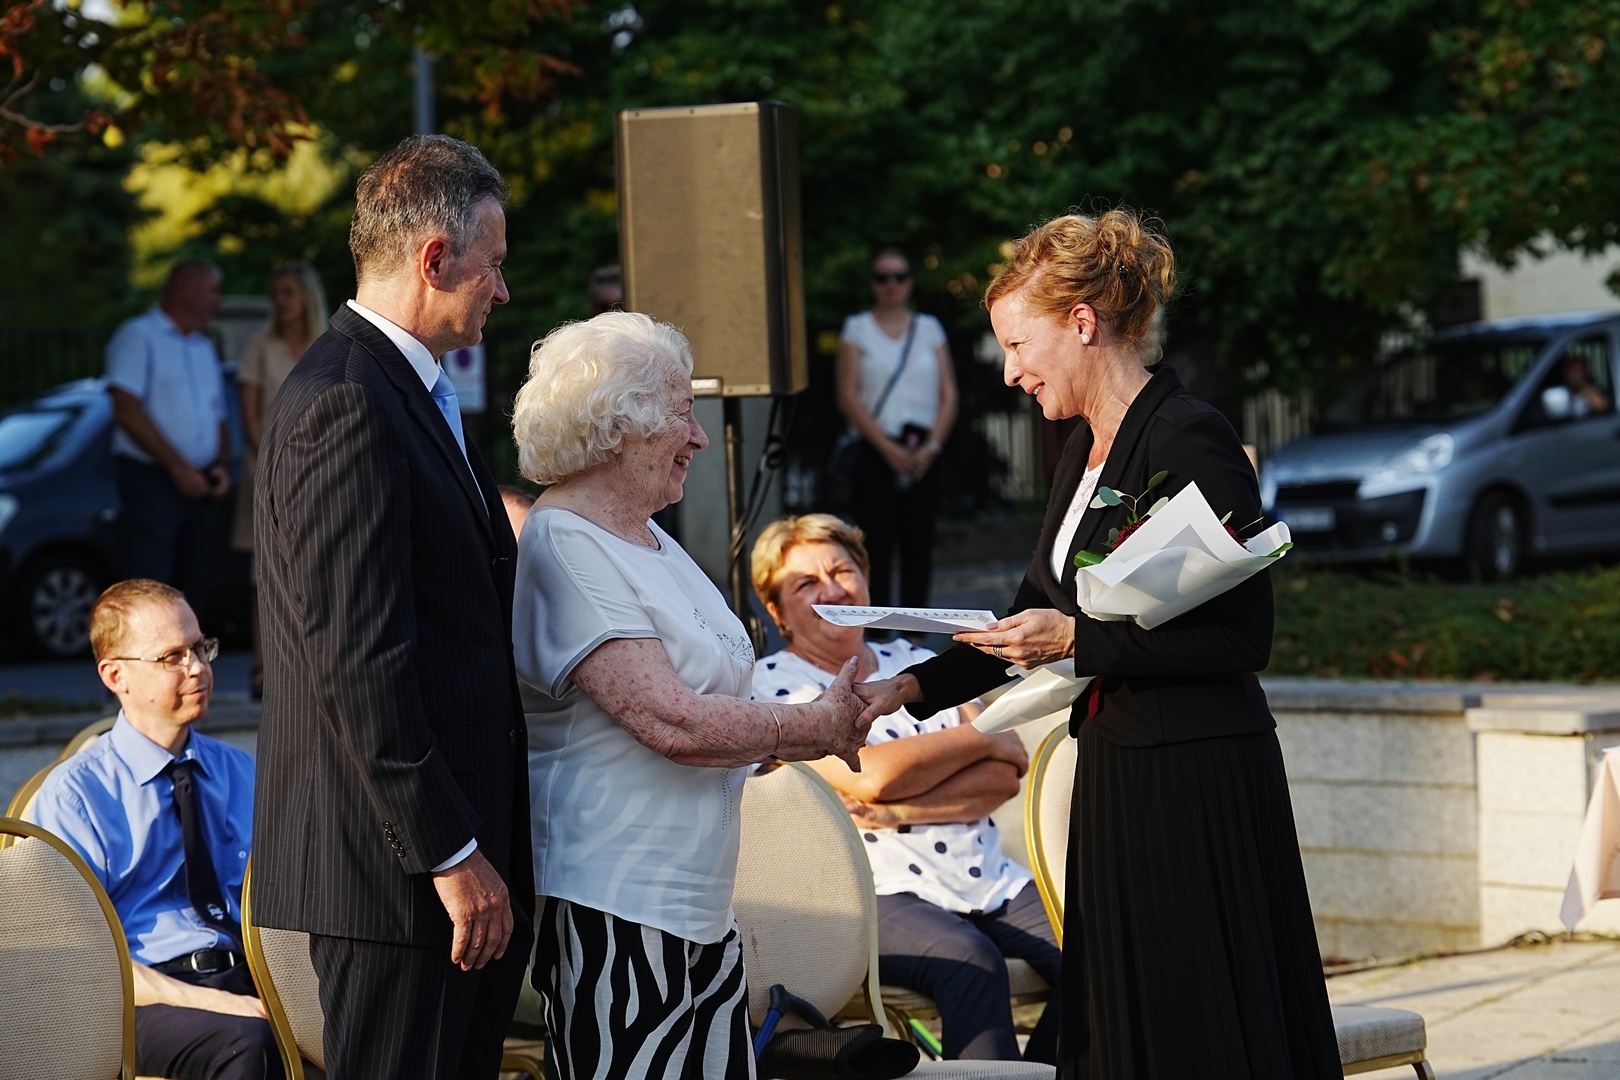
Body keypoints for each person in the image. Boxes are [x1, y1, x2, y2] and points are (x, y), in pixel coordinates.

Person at [855, 211, 1343, 1079]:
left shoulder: (1187, 433)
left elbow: (1246, 636)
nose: (1009, 372)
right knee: (1127, 1024)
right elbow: (1029, 615)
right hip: (1116, 767)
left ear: (1082, 323)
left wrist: (1082, 639)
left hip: (1198, 778)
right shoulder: (1081, 446)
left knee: (1199, 1029)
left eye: (1017, 344)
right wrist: (906, 689)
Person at [510, 311, 870, 1079]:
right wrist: (811, 726)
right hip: (616, 904)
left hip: (699, 908)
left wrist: (829, 719)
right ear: (617, 427)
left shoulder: (648, 535)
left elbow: (715, 709)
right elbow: (669, 720)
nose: (700, 437)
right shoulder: (565, 540)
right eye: (682, 414)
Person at [252, 134, 532, 1080]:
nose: (504, 290)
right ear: (435, 258)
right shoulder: (348, 401)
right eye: (493, 265)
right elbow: (360, 660)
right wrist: (450, 852)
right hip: (399, 880)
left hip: (439, 869)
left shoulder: (400, 388)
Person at [748, 513, 1062, 1064]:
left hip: (984, 875)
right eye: (806, 583)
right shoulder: (771, 686)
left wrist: (897, 807)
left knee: (1098, 950)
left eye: (842, 571)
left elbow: (1007, 766)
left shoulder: (916, 664)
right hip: (874, 891)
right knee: (971, 963)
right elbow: (871, 776)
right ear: (776, 612)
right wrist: (974, 738)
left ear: (866, 580)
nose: (832, 590)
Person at [27, 579, 279, 1080]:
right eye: (171, 657)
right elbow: (76, 957)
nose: (198, 668)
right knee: (247, 1045)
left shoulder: (240, 772)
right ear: (115, 675)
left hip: (249, 975)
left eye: (200, 648)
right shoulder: (76, 795)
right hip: (138, 998)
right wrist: (215, 1002)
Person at [836, 248, 958, 608]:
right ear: (872, 284)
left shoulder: (929, 328)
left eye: (899, 276)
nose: (891, 284)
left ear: (910, 282)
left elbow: (949, 394)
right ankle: (876, 629)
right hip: (876, 447)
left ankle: (914, 632)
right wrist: (888, 449)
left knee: (919, 543)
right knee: (874, 545)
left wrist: (931, 448)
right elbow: (847, 395)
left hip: (923, 448)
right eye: (883, 277)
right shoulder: (857, 328)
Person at [107, 258, 232, 604]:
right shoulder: (138, 335)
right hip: (153, 480)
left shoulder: (203, 347)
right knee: (151, 586)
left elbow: (219, 417)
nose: (218, 301)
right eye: (212, 291)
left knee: (194, 586)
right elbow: (126, 409)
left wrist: (221, 465)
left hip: (202, 483)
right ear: (187, 289)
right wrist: (177, 467)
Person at [232, 261, 329, 697]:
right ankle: (263, 666)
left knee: (318, 566)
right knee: (265, 571)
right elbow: (250, 416)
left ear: (307, 296)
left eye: (288, 292)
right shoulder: (259, 346)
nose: (281, 301)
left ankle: (311, 664)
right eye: (276, 294)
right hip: (268, 472)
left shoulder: (327, 344)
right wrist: (275, 467)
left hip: (320, 471)